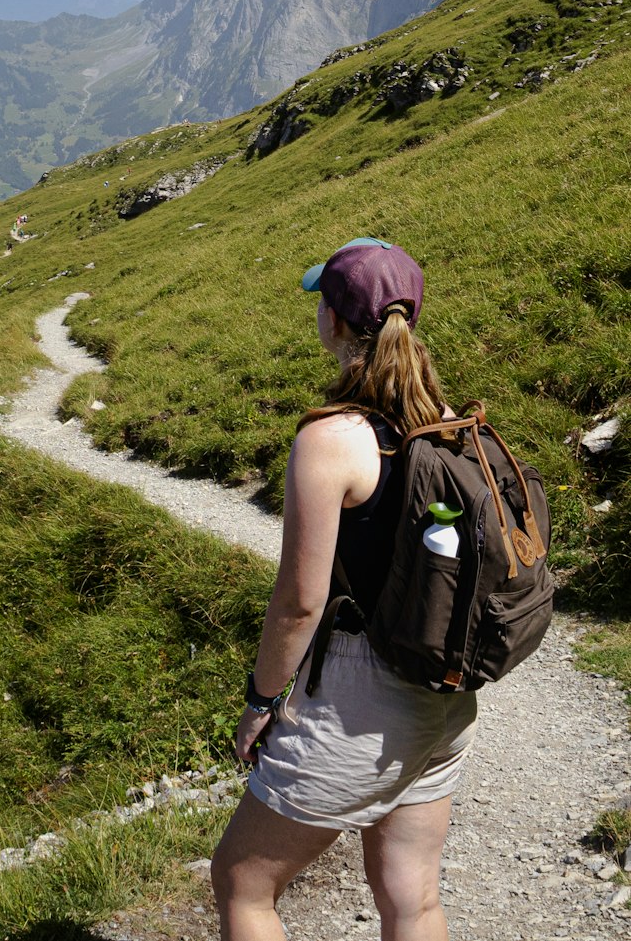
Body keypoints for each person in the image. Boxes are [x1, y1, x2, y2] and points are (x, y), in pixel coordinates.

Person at [212, 238, 478, 941]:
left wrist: (262, 701)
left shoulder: (332, 438)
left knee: (244, 883)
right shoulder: (450, 420)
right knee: (410, 896)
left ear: (333, 319)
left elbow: (301, 600)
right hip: (441, 694)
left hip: (364, 693)